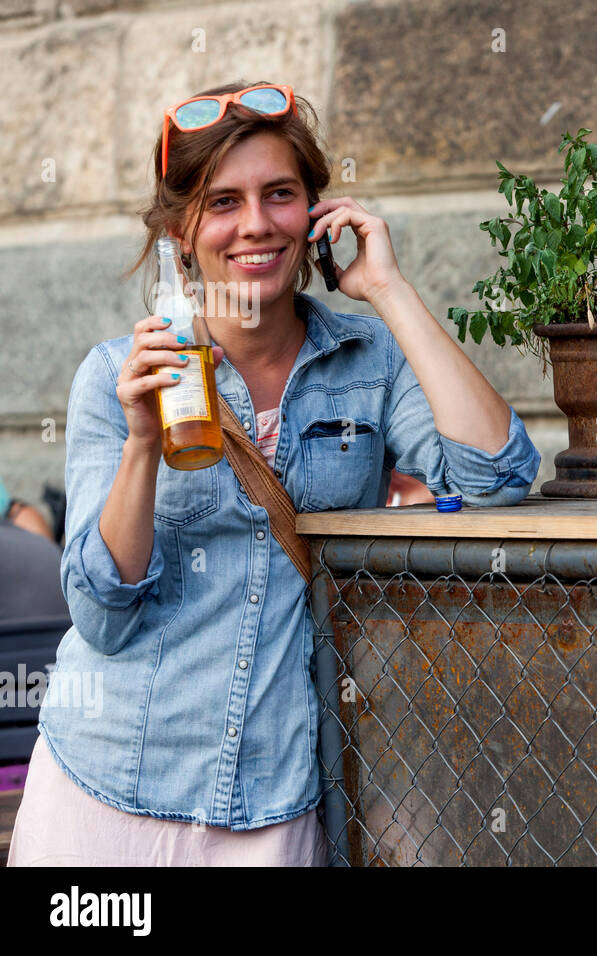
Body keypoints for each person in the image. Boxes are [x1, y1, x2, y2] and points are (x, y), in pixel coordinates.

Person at [7, 81, 540, 866]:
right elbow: (102, 615)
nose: (255, 224)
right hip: (106, 788)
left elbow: (497, 477)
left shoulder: (369, 363)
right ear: (181, 233)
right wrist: (142, 445)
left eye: (279, 194)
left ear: (315, 212)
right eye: (223, 202)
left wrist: (388, 292)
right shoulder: (117, 375)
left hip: (274, 798)